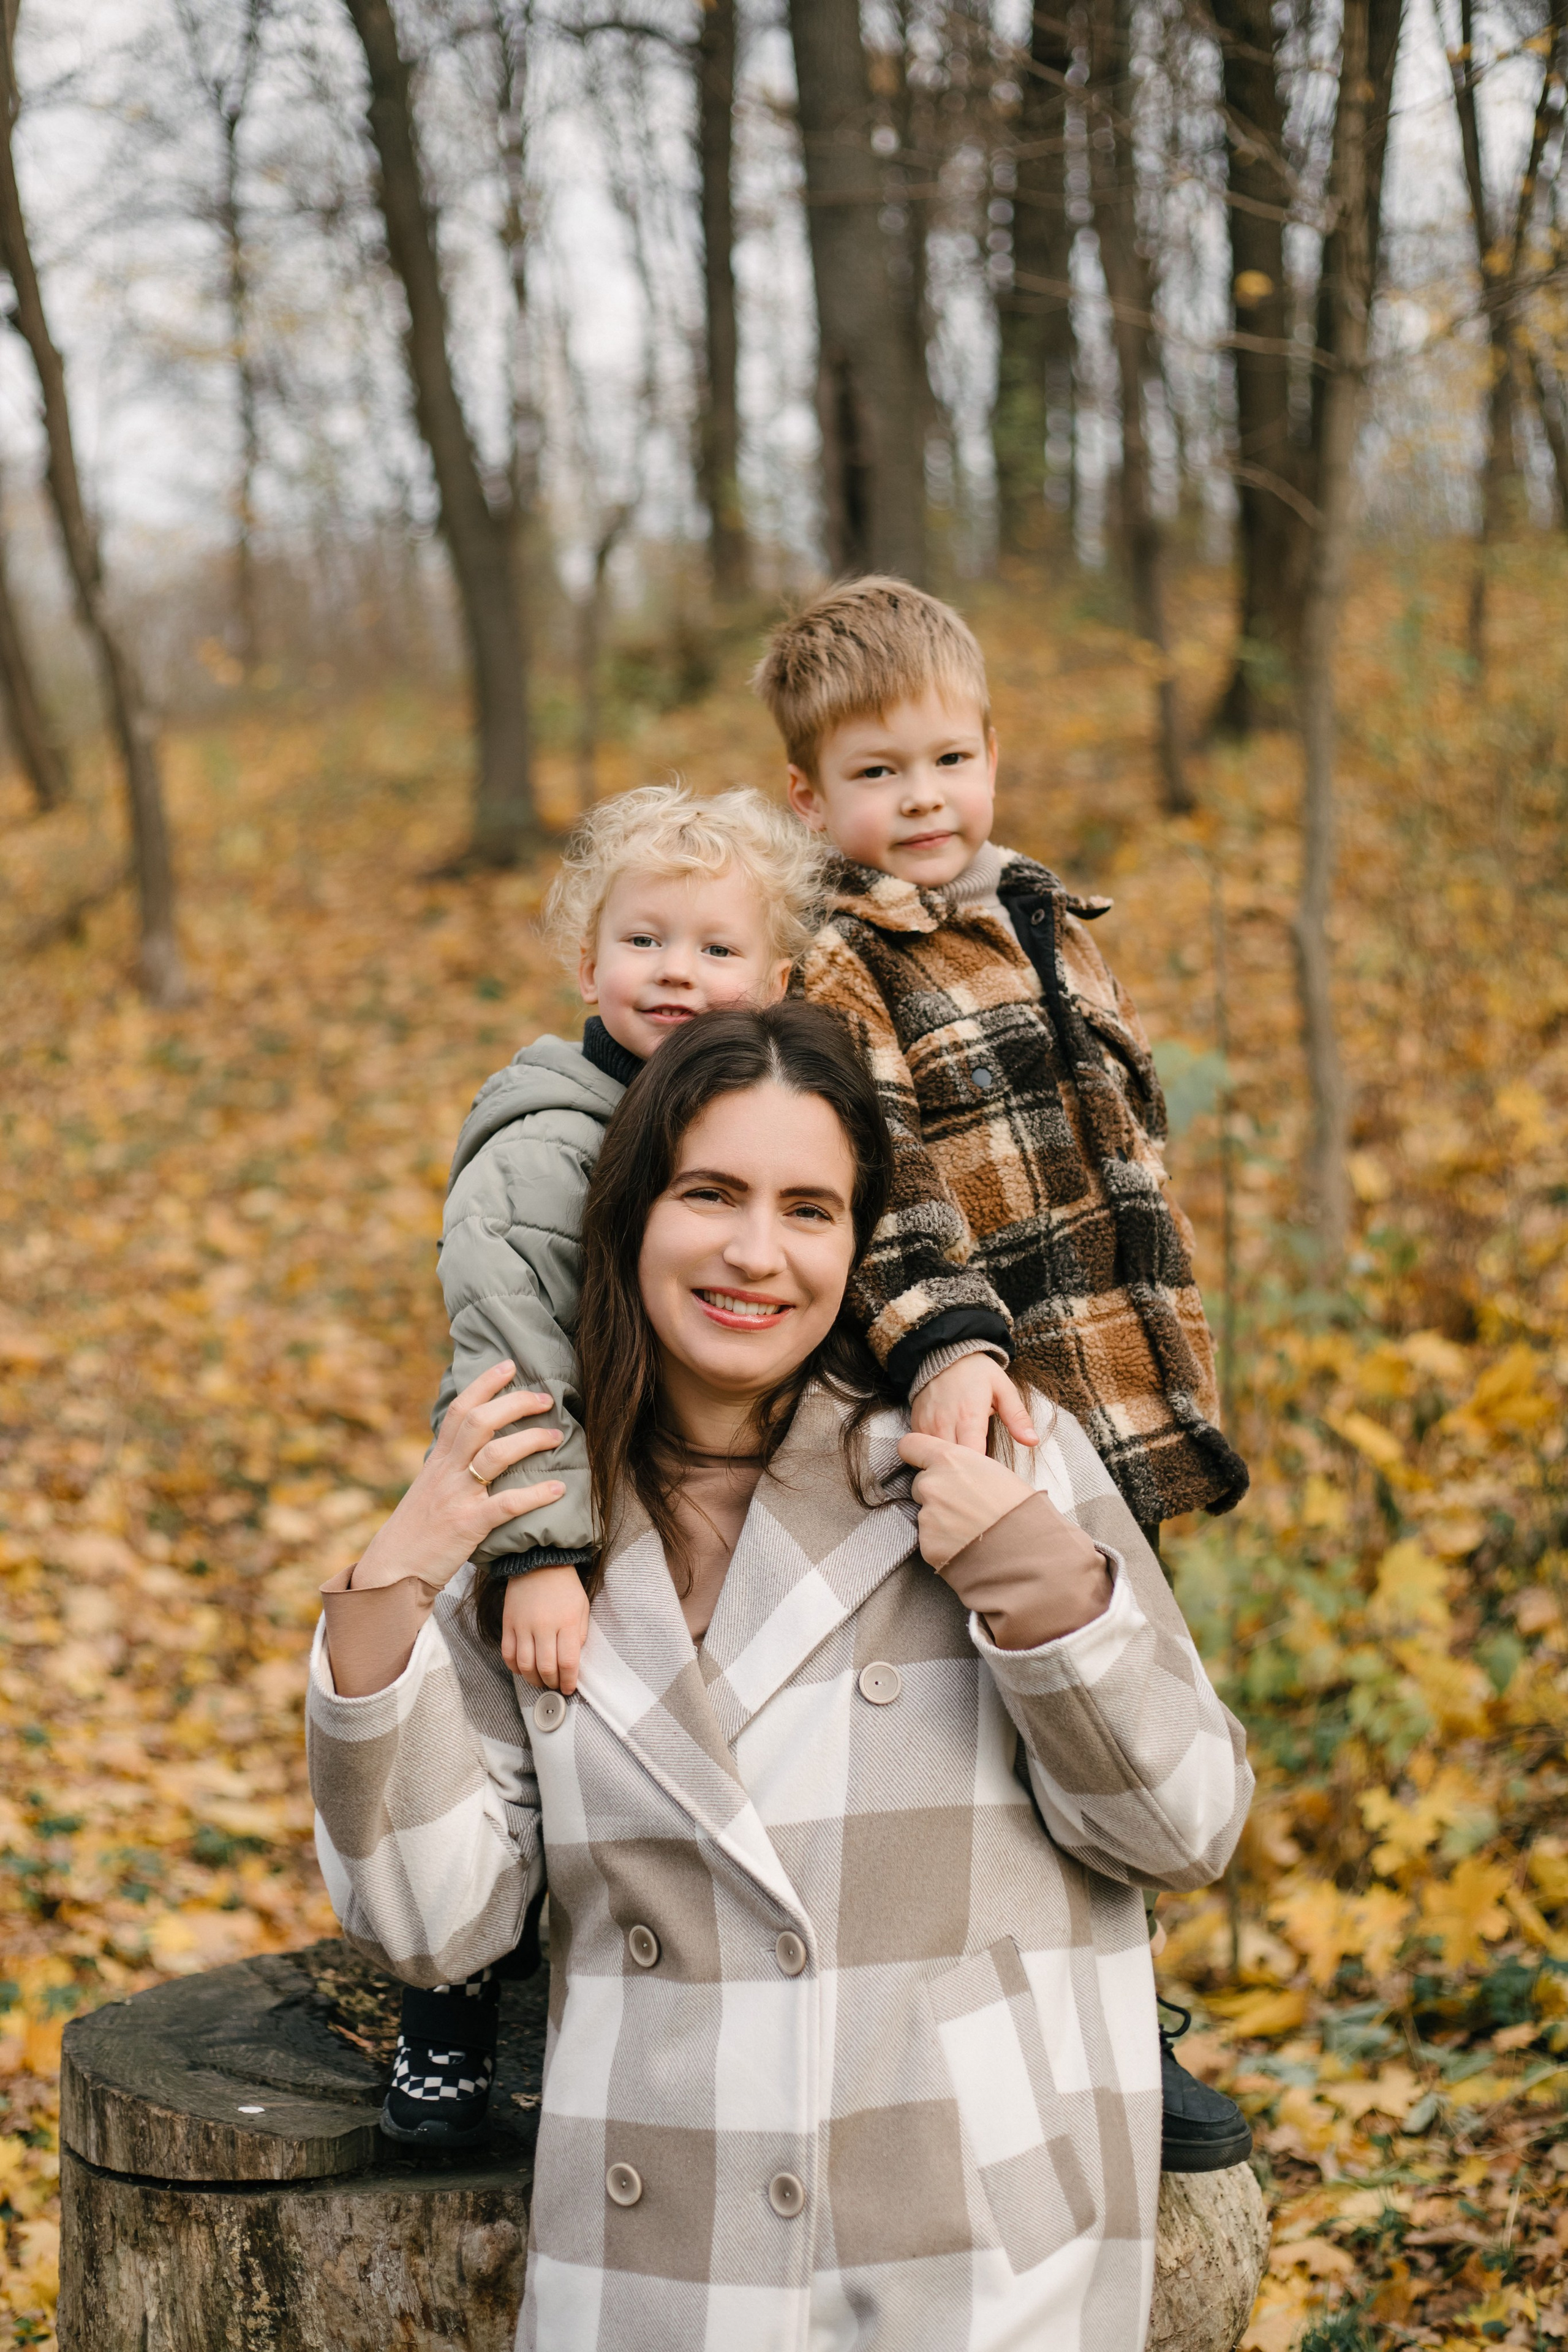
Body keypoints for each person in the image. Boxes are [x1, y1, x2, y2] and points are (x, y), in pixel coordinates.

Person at [308, 1002, 1254, 2351]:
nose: (757, 1253)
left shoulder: (986, 1454)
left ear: (858, 1241)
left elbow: (1184, 1824)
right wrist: (396, 1581)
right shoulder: (535, 1541)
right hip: (657, 2280)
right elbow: (435, 1921)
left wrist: (1031, 1582)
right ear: (630, 1214)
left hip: (970, 2261)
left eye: (808, 1209)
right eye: (710, 1194)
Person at [755, 576, 1254, 2169]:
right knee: (1022, 1721)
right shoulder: (840, 963)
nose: (922, 801)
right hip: (1000, 1403)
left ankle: (1135, 2013)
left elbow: (1124, 1155)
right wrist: (954, 1342)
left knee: (1128, 1707)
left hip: (1119, 1380)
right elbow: (880, 1176)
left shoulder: (1045, 914)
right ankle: (1050, 2034)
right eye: (877, 774)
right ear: (810, 796)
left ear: (993, 751)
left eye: (948, 761)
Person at [380, 785, 824, 2146]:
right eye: (643, 943)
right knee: (507, 1726)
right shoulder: (550, 1139)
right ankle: (444, 2014)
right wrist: (534, 1557)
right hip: (546, 1490)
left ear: (778, 981)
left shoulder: (729, 1114)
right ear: (587, 964)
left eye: (713, 949)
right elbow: (508, 1347)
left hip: (659, 1481)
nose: (676, 973)